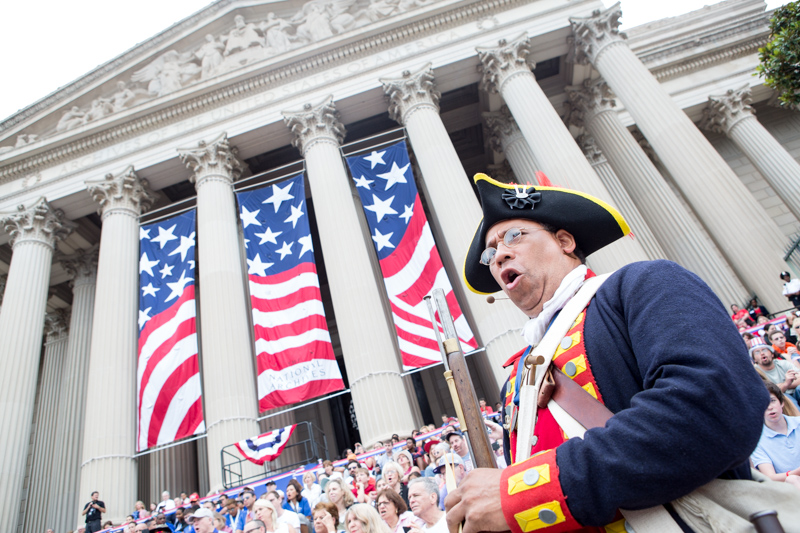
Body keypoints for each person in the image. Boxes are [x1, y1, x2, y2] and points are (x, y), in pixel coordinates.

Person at [447, 175, 769, 532]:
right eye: (490, 253)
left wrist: (522, 493)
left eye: (513, 236)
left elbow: (714, 409)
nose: (500, 254)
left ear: (565, 241)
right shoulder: (518, 377)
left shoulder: (643, 284)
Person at [751, 382, 800, 489]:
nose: (769, 407)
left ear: (781, 402)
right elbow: (770, 477)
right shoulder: (757, 440)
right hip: (787, 488)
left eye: (772, 401)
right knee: (792, 479)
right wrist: (795, 473)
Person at [751, 338, 800, 406]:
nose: (762, 353)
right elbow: (767, 394)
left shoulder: (783, 363)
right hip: (777, 402)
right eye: (757, 352)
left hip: (795, 393)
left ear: (772, 354)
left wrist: (783, 385)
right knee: (786, 397)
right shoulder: (755, 373)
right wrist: (785, 383)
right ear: (754, 359)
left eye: (764, 350)